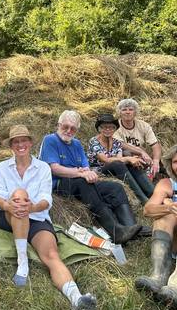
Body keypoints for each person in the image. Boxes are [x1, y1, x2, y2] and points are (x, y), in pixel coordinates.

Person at [0, 125, 96, 310]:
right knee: (19, 195)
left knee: (52, 255)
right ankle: (22, 261)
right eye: (16, 141)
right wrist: (9, 206)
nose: (20, 144)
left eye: (24, 140)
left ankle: (76, 298)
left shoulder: (42, 168)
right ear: (11, 146)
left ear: (31, 143)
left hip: (37, 216)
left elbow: (46, 199)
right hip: (7, 214)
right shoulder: (3, 167)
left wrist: (31, 207)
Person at [39, 110, 143, 245]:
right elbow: (54, 168)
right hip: (58, 183)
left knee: (115, 188)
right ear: (58, 125)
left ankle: (130, 227)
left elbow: (86, 166)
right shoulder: (50, 140)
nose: (69, 130)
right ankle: (116, 231)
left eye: (73, 128)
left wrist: (89, 174)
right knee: (83, 182)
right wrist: (80, 173)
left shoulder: (76, 144)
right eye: (65, 127)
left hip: (77, 180)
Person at [135, 145, 177, 306]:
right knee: (163, 216)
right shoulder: (167, 183)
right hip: (173, 239)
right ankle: (158, 277)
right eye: (175, 162)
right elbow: (148, 210)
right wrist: (168, 206)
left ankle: (175, 285)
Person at [87, 113, 153, 204]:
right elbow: (105, 160)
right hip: (99, 171)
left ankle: (152, 193)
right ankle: (143, 199)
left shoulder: (116, 142)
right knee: (120, 163)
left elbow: (119, 159)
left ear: (115, 129)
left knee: (130, 164)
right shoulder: (94, 141)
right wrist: (129, 158)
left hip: (115, 168)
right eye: (104, 127)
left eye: (111, 127)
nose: (108, 130)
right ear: (99, 128)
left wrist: (132, 159)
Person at [114, 98, 161, 181]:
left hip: (142, 156)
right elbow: (120, 144)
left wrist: (156, 160)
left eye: (131, 109)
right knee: (126, 152)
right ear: (120, 112)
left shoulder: (143, 125)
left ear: (135, 112)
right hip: (124, 157)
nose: (127, 112)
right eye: (124, 110)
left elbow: (155, 144)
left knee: (159, 159)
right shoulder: (115, 126)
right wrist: (140, 151)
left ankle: (152, 176)